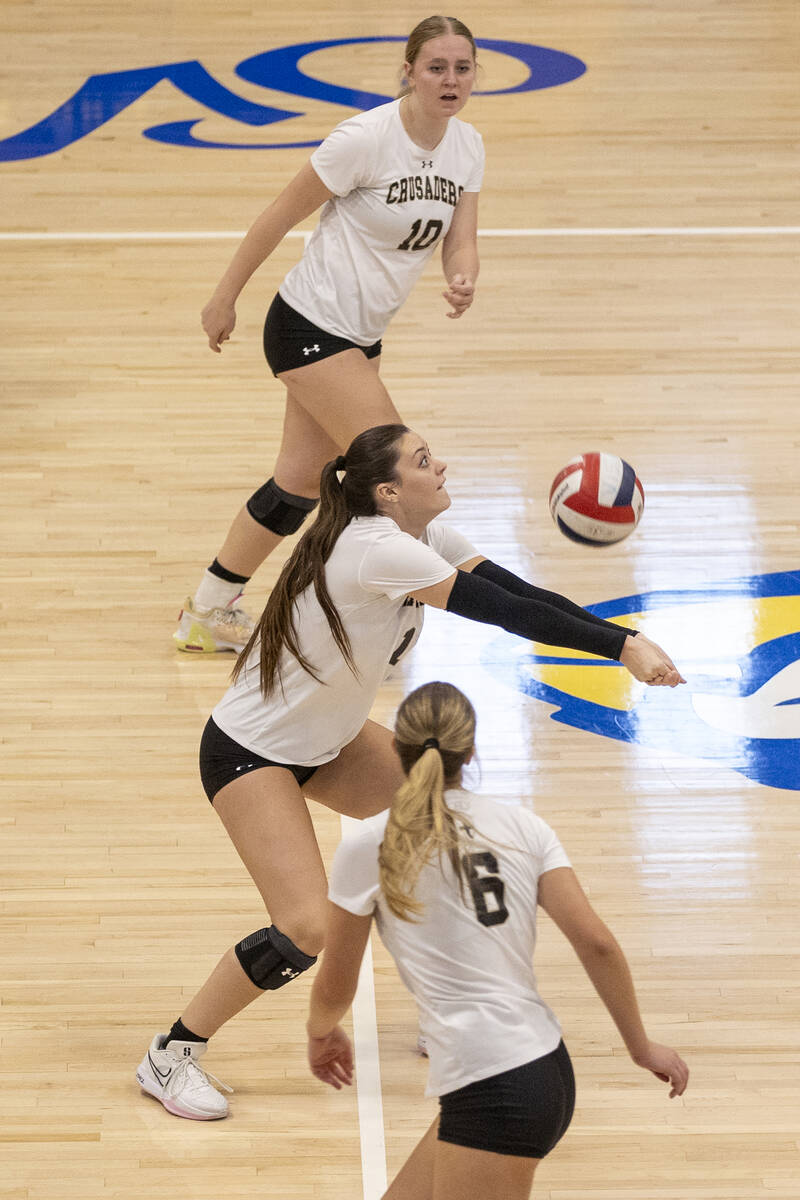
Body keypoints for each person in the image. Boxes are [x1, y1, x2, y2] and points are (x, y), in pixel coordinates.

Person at [138, 424, 684, 1120]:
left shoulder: (422, 540)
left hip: (328, 741)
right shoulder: (377, 549)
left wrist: (625, 640)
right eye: (425, 461)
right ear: (389, 491)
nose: (443, 463)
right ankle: (172, 1053)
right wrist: (621, 647)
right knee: (306, 928)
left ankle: (447, 1010)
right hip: (253, 751)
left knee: (444, 836)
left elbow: (527, 595)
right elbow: (507, 616)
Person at [306, 679, 690, 1200]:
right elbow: (596, 942)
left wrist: (321, 1032)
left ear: (395, 748)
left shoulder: (374, 843)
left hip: (495, 1087)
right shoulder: (523, 826)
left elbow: (336, 983)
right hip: (538, 1067)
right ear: (472, 749)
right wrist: (640, 1047)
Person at [175, 14, 486, 654]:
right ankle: (381, 625)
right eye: (436, 67)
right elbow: (277, 217)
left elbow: (462, 240)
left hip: (358, 340)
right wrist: (223, 298)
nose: (450, 80)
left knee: (296, 484)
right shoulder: (364, 139)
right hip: (308, 328)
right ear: (409, 72)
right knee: (402, 480)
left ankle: (208, 609)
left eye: (462, 68)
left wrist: (462, 277)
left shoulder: (467, 147)